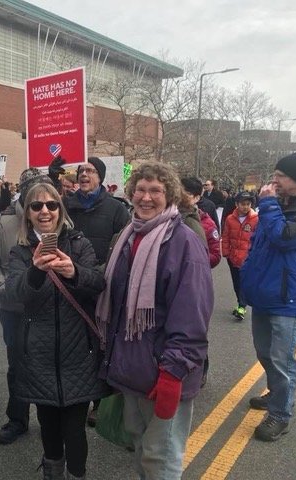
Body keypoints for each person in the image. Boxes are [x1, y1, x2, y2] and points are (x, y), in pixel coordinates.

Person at [96, 162, 213, 479]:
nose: (146, 197)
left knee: (161, 459)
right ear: (131, 193)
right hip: (132, 370)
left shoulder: (184, 243)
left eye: (156, 191)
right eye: (140, 190)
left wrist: (173, 374)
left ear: (170, 195)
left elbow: (192, 317)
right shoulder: (128, 236)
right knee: (142, 450)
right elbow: (113, 298)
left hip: (164, 372)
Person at [6, 182, 108, 480]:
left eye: (51, 205)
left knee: (75, 429)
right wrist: (36, 269)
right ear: (28, 214)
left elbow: (98, 283)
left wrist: (73, 272)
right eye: (36, 206)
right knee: (48, 425)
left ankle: (77, 475)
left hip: (78, 351)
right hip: (38, 354)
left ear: (60, 210)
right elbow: (13, 293)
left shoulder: (78, 243)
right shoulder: (20, 251)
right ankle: (53, 472)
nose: (45, 211)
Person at [240, 153, 296, 442]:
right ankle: (278, 394)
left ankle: (280, 413)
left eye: (280, 175)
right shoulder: (277, 205)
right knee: (265, 352)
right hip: (266, 291)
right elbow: (260, 242)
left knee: (282, 359)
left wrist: (267, 204)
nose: (274, 180)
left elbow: (283, 237)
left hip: (290, 296)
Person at [0, 168, 53, 445]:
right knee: (17, 365)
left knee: (49, 363)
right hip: (15, 310)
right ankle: (17, 418)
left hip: (50, 309)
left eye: (46, 192)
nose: (42, 202)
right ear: (23, 192)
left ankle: (50, 417)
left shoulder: (56, 217)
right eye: (34, 192)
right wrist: (4, 289)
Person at [63, 156, 130, 426]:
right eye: (81, 170)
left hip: (103, 284)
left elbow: (123, 246)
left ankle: (100, 402)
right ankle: (78, 394)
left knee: (102, 343)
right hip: (71, 283)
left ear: (100, 177)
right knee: (76, 343)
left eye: (90, 171)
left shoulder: (116, 209)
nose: (84, 174)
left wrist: (97, 273)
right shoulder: (66, 206)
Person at [221, 191, 258, 320]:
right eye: (243, 204)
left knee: (244, 283)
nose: (245, 207)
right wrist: (225, 252)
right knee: (236, 283)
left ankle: (242, 306)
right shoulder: (230, 219)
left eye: (248, 204)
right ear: (237, 204)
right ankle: (240, 303)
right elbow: (225, 236)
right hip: (233, 257)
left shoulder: (256, 219)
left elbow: (258, 239)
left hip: (247, 259)